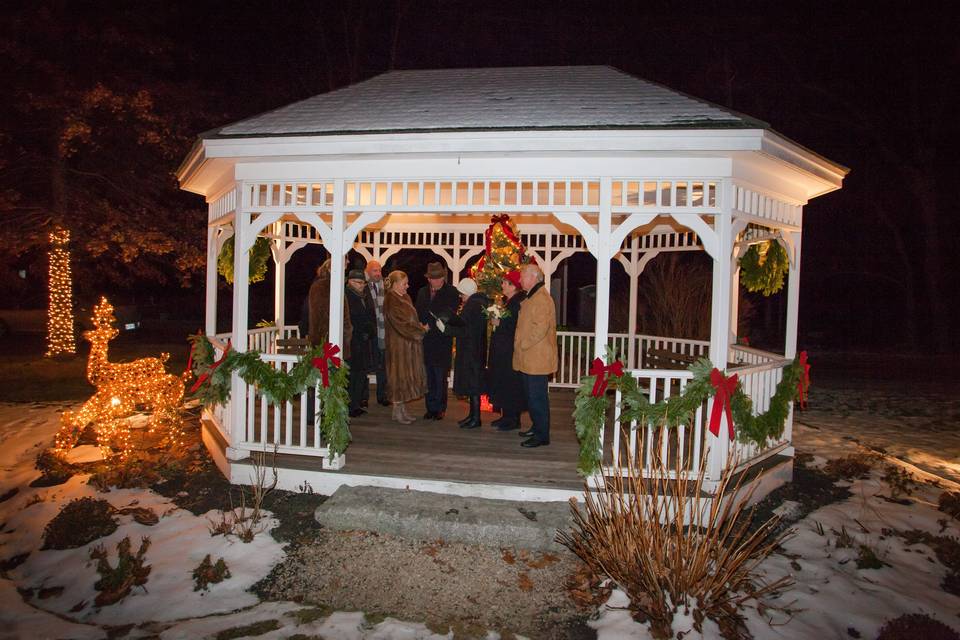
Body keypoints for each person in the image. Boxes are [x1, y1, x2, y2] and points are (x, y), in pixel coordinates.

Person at [513, 263, 557, 448]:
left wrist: (523, 343)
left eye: (523, 276)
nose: (520, 280)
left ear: (533, 278)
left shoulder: (541, 299)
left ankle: (541, 435)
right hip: (530, 357)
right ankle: (536, 426)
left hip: (537, 358)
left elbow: (540, 328)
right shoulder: (533, 296)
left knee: (537, 397)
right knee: (532, 396)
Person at [306, 257, 352, 423]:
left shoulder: (333, 285)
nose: (346, 269)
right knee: (322, 380)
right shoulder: (322, 286)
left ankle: (328, 416)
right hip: (326, 343)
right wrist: (344, 332)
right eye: (344, 266)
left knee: (330, 381)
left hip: (333, 342)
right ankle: (319, 417)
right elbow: (322, 316)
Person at [415, 261, 460, 420]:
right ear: (428, 279)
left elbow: (449, 313)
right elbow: (418, 311)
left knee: (440, 376)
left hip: (441, 340)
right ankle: (430, 408)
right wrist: (421, 325)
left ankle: (440, 408)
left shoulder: (452, 292)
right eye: (433, 278)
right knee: (429, 376)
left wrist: (431, 325)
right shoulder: (422, 292)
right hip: (426, 341)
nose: (436, 281)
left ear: (443, 277)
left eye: (439, 277)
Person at [443, 278, 489, 429]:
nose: (461, 297)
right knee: (472, 384)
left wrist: (448, 329)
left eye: (462, 294)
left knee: (473, 385)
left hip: (472, 351)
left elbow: (467, 330)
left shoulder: (473, 306)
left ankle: (476, 418)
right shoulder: (476, 304)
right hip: (474, 350)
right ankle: (472, 416)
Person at [384, 270, 428, 424]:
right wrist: (420, 330)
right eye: (404, 283)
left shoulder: (405, 297)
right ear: (395, 284)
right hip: (398, 347)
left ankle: (401, 410)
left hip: (408, 346)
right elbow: (400, 324)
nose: (407, 286)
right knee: (398, 377)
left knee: (404, 377)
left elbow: (409, 320)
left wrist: (418, 326)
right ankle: (397, 411)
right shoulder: (391, 300)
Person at [486, 270, 526, 432]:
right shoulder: (508, 302)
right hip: (502, 350)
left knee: (510, 383)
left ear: (512, 286)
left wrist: (499, 323)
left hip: (509, 351)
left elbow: (514, 326)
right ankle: (505, 415)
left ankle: (512, 418)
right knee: (503, 382)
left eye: (505, 283)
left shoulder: (517, 303)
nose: (502, 285)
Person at [345, 269, 375, 418]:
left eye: (363, 283)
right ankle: (350, 406)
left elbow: (369, 314)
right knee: (352, 375)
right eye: (358, 282)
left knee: (360, 375)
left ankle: (355, 404)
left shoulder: (363, 296)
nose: (362, 285)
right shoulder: (347, 296)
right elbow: (351, 319)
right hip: (352, 342)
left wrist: (370, 329)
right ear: (349, 282)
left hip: (362, 341)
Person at [362, 260, 389, 408]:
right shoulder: (363, 286)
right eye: (374, 271)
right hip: (369, 333)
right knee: (366, 366)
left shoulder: (386, 287)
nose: (378, 273)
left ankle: (382, 395)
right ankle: (363, 397)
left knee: (383, 366)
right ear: (368, 271)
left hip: (383, 332)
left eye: (379, 270)